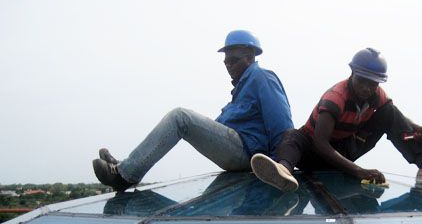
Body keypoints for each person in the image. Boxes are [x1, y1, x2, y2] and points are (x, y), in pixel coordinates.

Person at [92, 30, 293, 190]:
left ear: (249, 57)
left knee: (181, 117)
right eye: (226, 61)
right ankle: (126, 166)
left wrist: (278, 168)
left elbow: (282, 124)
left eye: (234, 60)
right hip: (239, 150)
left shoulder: (261, 77)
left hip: (251, 155)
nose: (228, 65)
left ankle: (124, 176)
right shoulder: (240, 89)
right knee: (189, 119)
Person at [250, 48, 422, 192]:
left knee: (390, 111)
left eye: (373, 83)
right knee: (292, 136)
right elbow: (320, 144)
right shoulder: (335, 98)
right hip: (314, 152)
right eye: (362, 81)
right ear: (352, 73)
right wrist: (358, 171)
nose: (367, 88)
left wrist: (415, 127)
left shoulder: (376, 95)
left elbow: (394, 117)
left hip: (345, 149)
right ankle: (283, 170)